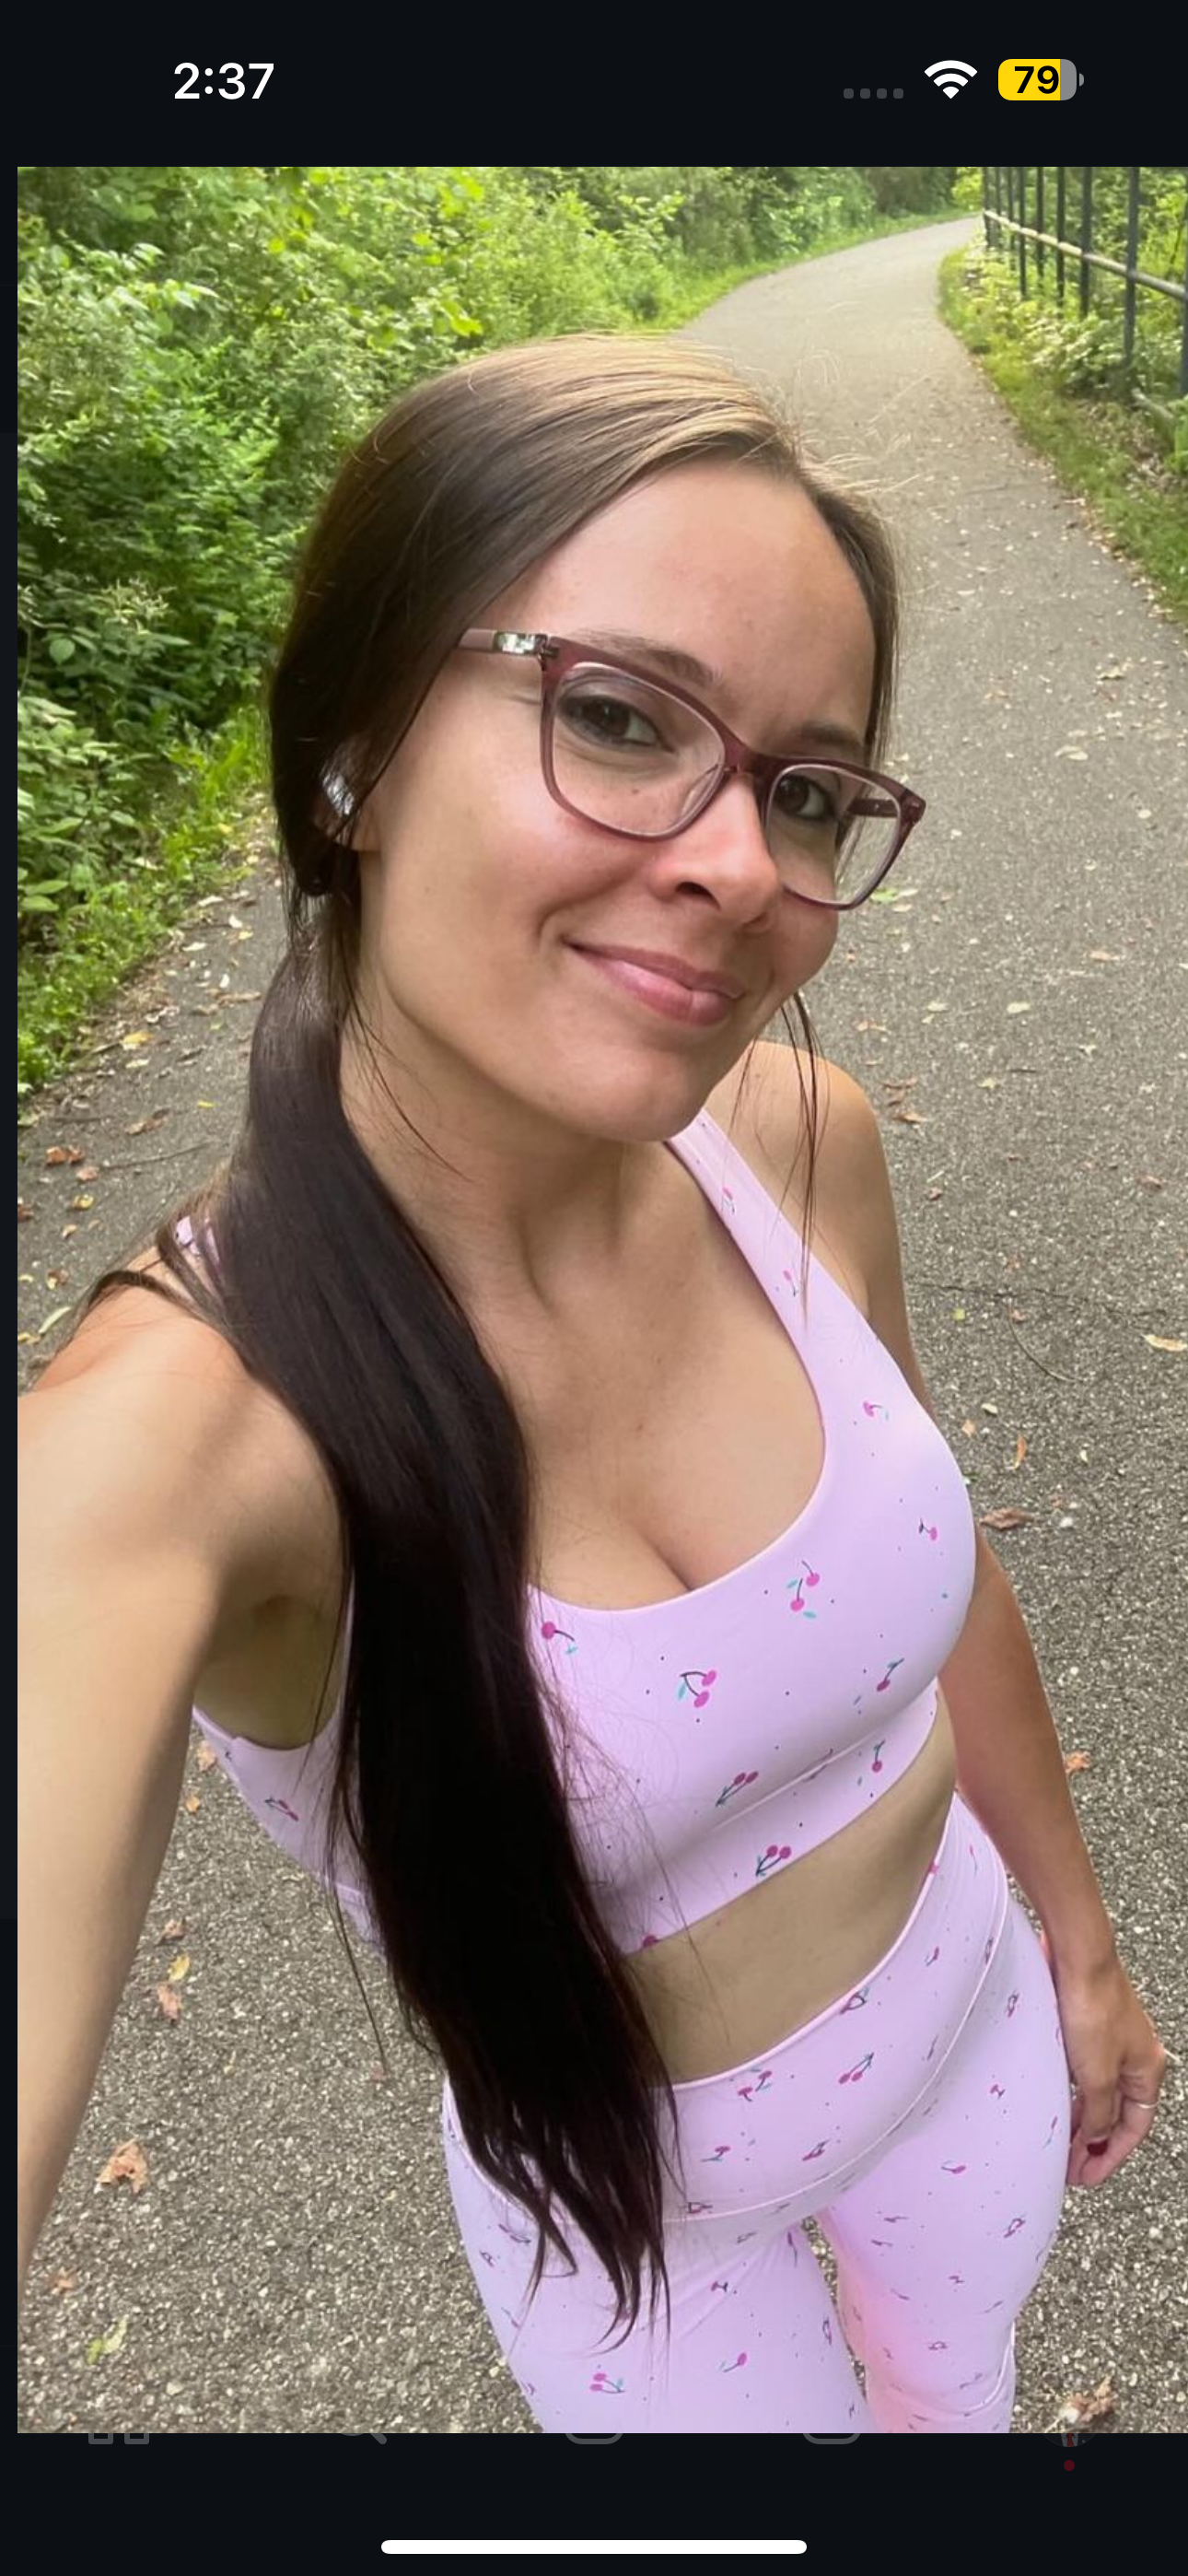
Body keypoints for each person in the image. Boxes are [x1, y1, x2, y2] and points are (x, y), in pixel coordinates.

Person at [18, 334, 1166, 2434]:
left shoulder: (797, 1146)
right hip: (648, 2248)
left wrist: (1080, 1944)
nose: (741, 864)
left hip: (973, 2053)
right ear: (354, 750)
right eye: (621, 717)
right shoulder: (180, 1445)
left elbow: (947, 1587)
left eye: (806, 790)